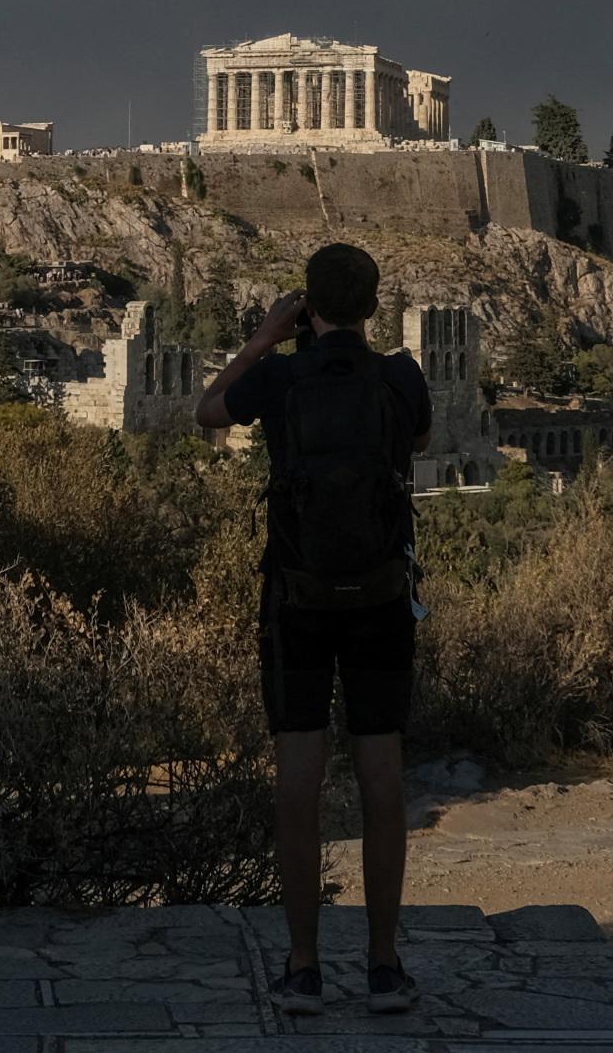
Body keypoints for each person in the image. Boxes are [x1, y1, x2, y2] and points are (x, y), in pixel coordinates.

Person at [195, 241, 431, 1017]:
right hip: (382, 596)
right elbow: (418, 441)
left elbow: (207, 415)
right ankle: (386, 965)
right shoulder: (401, 377)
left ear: (308, 304)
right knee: (382, 776)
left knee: (298, 779)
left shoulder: (279, 375)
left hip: (295, 598)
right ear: (372, 304)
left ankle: (302, 967)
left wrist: (263, 339)